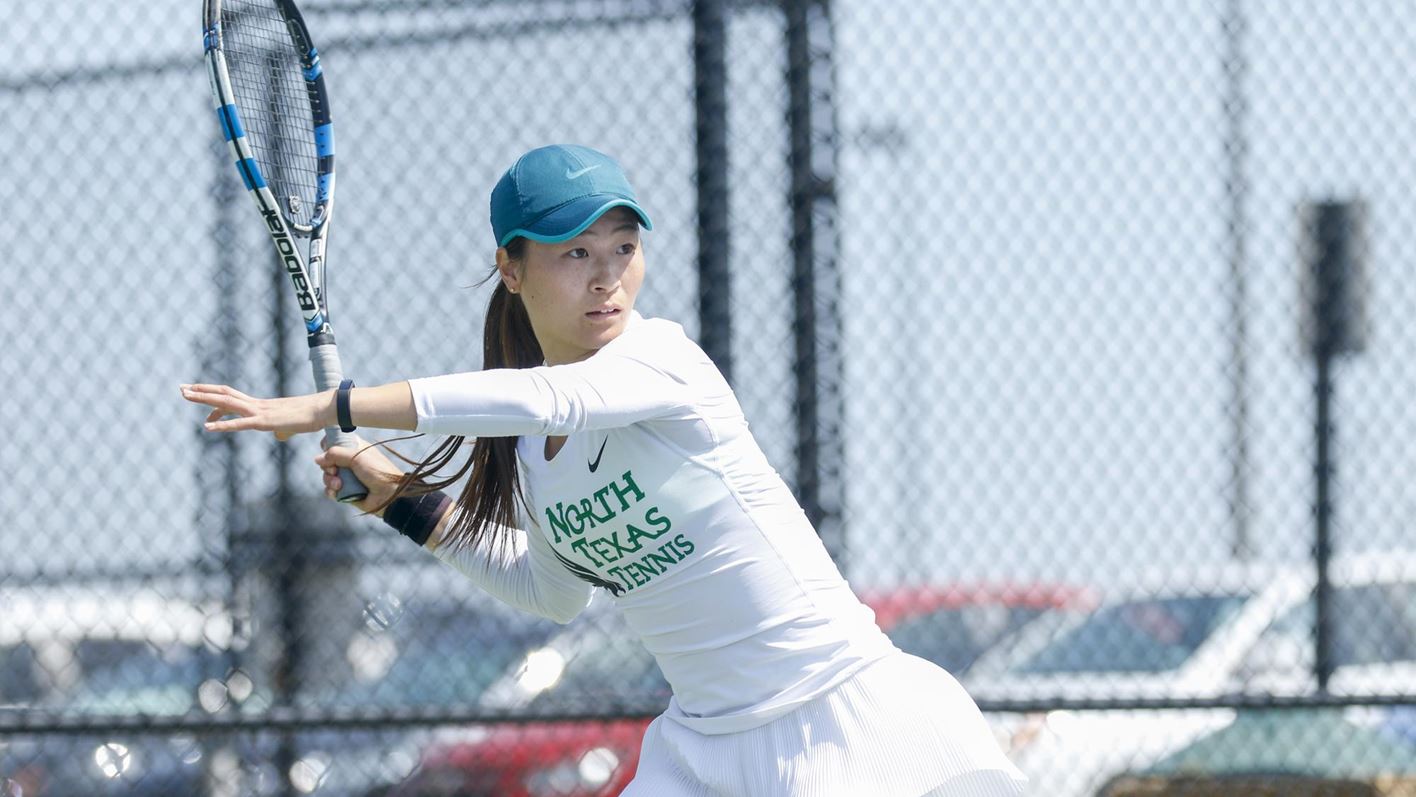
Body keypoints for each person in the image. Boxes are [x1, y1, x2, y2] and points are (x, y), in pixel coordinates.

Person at [180, 144, 1027, 797]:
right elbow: (554, 591)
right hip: (703, 748)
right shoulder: (540, 461)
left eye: (621, 246)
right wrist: (404, 501)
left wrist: (333, 405)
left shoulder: (662, 362)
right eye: (572, 253)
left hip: (845, 713)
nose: (607, 276)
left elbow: (543, 400)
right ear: (511, 268)